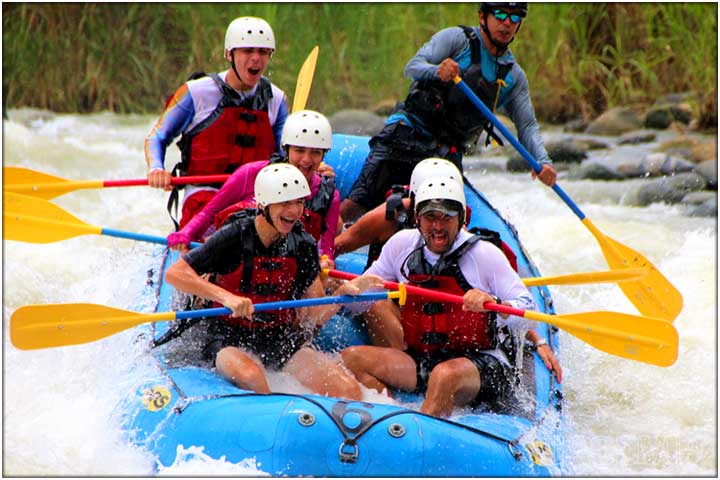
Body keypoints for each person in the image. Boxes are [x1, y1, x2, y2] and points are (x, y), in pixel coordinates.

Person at [165, 163, 384, 399]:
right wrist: (226, 297)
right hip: (226, 335)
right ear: (264, 205)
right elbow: (175, 273)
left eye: (299, 202)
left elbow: (313, 313)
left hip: (278, 337)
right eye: (285, 203)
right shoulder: (235, 235)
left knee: (347, 390)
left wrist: (343, 295)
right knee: (251, 376)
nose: (295, 211)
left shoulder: (303, 245)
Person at [340, 176, 547, 417]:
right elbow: (354, 307)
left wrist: (496, 306)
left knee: (444, 375)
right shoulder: (402, 246)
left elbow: (529, 311)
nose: (438, 226)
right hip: (425, 358)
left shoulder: (485, 255)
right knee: (351, 358)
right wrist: (350, 292)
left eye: (447, 217)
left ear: (461, 219)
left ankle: (422, 437)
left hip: (483, 363)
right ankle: (393, 417)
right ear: (417, 218)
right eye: (430, 217)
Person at [340, 2, 556, 223]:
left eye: (515, 18)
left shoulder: (513, 76)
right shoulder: (457, 39)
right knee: (356, 204)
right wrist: (436, 71)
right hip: (407, 134)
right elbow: (412, 67)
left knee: (441, 222)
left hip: (446, 155)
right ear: (482, 16)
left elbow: (527, 125)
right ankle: (327, 247)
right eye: (500, 14)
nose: (506, 23)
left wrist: (542, 161)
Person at [145, 16, 289, 228]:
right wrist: (157, 169)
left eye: (263, 52)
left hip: (254, 198)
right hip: (204, 195)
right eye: (247, 51)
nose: (256, 59)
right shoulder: (196, 93)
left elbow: (285, 155)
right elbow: (157, 137)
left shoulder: (276, 99)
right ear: (229, 54)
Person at [167, 109, 339, 261]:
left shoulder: (329, 195)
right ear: (286, 149)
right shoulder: (250, 174)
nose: (307, 160)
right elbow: (210, 213)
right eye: (299, 150)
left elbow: (325, 248)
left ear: (324, 155)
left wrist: (325, 261)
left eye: (315, 152)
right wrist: (185, 233)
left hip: (285, 272)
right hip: (238, 261)